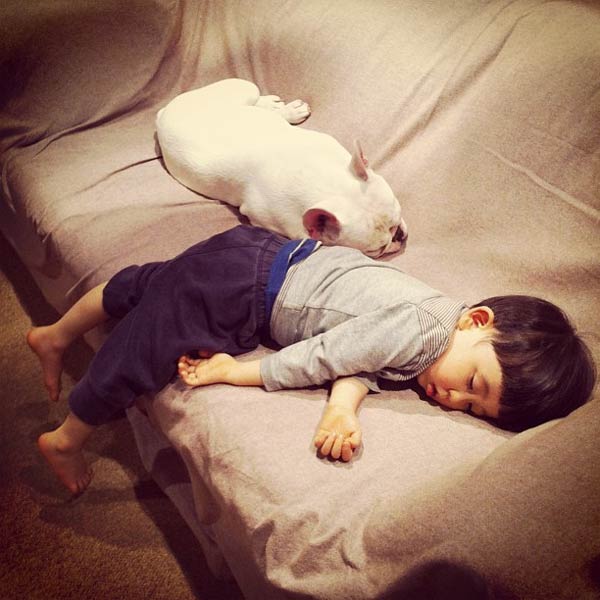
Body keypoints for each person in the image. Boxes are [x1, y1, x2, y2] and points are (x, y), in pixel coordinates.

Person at [27, 226, 596, 494]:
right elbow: (328, 354)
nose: (456, 398)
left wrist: (342, 412)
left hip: (258, 256)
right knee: (145, 345)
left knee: (147, 284)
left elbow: (365, 359)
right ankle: (69, 436)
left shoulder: (430, 329)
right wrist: (238, 371)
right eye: (474, 382)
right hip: (247, 287)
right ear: (476, 321)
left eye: (476, 409)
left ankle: (55, 335)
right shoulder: (424, 331)